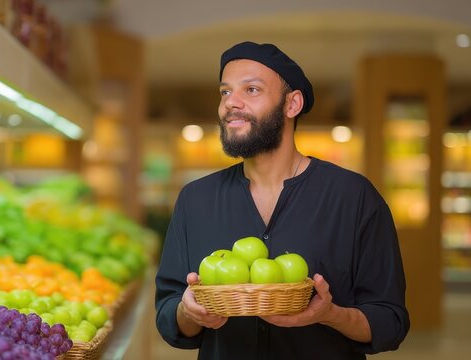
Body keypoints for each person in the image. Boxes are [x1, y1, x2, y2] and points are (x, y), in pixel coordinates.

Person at [154, 41, 410, 359]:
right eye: (224, 91)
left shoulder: (354, 197)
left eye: (251, 90)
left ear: (292, 104)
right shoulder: (195, 200)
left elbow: (391, 321)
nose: (230, 103)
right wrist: (189, 312)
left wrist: (331, 315)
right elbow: (168, 313)